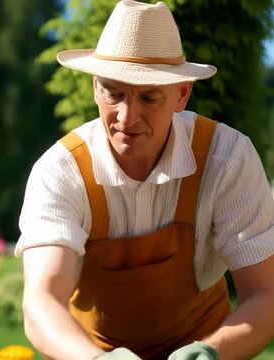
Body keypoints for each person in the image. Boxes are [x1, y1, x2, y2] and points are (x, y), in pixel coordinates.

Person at [15, 1, 274, 359]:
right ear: (94, 87)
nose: (127, 115)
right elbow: (41, 301)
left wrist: (210, 353)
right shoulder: (61, 171)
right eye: (113, 93)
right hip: (89, 351)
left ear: (182, 94)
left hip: (208, 345)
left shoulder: (227, 159)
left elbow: (266, 295)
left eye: (148, 97)